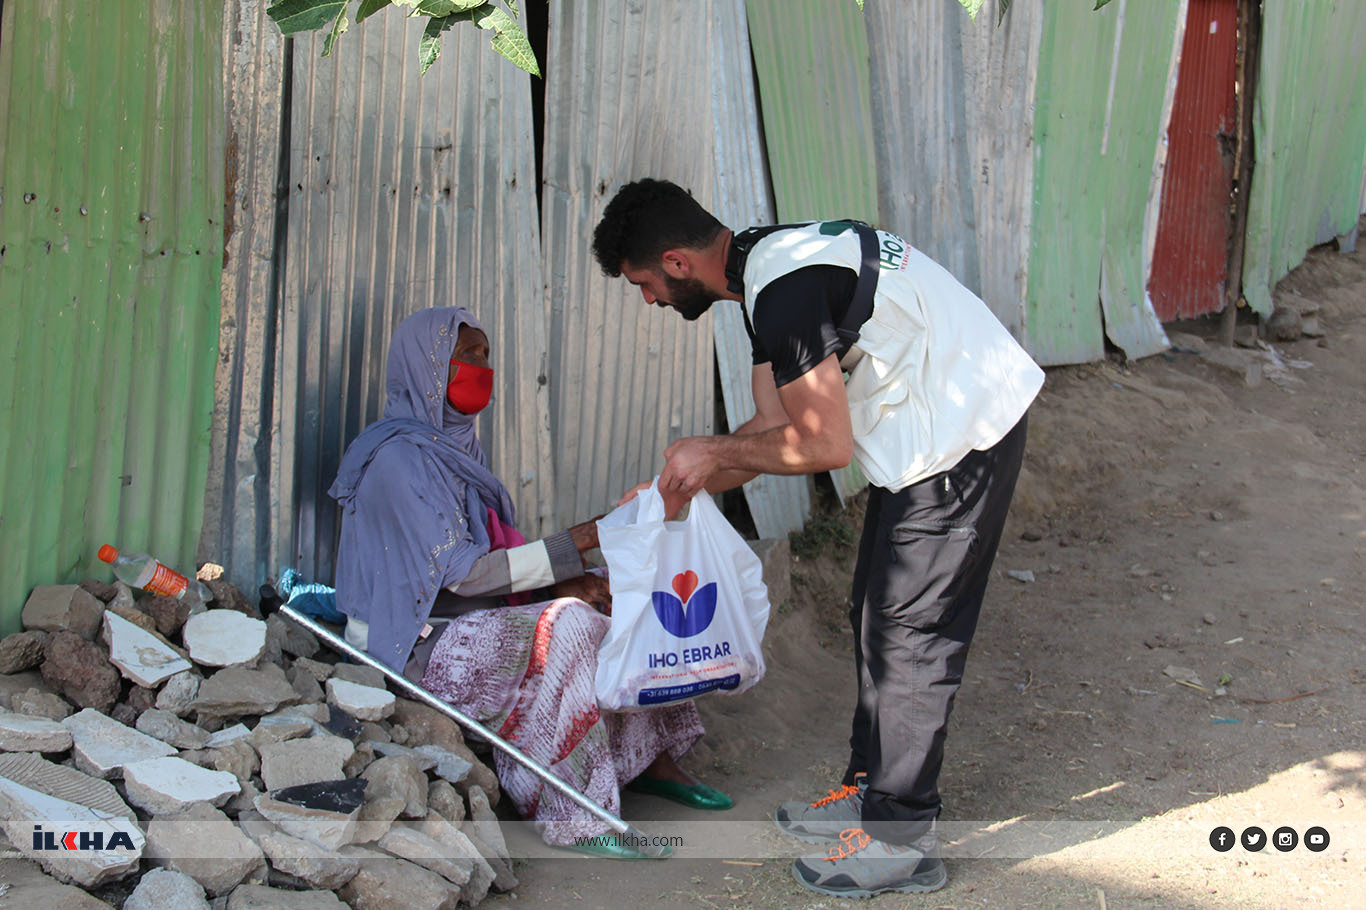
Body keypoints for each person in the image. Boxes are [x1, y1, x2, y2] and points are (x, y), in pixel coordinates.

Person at [593, 179, 1044, 895]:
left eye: (644, 284)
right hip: (923, 430)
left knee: (911, 633)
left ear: (676, 263)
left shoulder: (785, 287)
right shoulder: (761, 278)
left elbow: (824, 444)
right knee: (875, 610)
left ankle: (902, 836)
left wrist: (709, 456)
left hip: (965, 429)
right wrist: (671, 491)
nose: (648, 300)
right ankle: (867, 793)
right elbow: (773, 432)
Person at [328, 306, 732, 858]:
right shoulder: (400, 461)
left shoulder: (456, 451)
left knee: (622, 592)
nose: (481, 367)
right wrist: (580, 542)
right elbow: (465, 574)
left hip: (466, 621)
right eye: (465, 356)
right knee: (567, 626)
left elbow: (491, 565)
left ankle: (654, 760)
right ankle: (575, 814)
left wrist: (570, 578)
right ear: (425, 370)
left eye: (486, 355)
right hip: (415, 648)